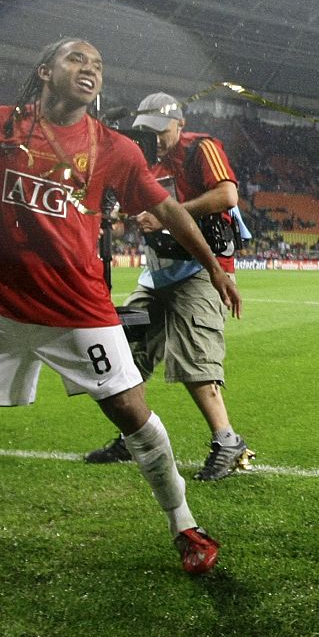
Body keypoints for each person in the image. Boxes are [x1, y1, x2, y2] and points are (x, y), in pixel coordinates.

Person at [0, 38, 241, 574]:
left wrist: (213, 267)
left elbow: (166, 208)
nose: (90, 69)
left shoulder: (116, 148)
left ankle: (185, 525)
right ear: (45, 71)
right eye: (77, 60)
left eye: (97, 64)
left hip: (79, 311)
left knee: (132, 415)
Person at [84, 93, 252, 480]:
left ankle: (228, 441)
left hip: (202, 269)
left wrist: (166, 215)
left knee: (195, 358)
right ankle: (134, 436)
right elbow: (131, 213)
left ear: (179, 123)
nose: (156, 138)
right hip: (157, 273)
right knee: (126, 345)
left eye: (161, 130)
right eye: (148, 131)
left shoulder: (200, 148)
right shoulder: (141, 158)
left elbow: (227, 195)